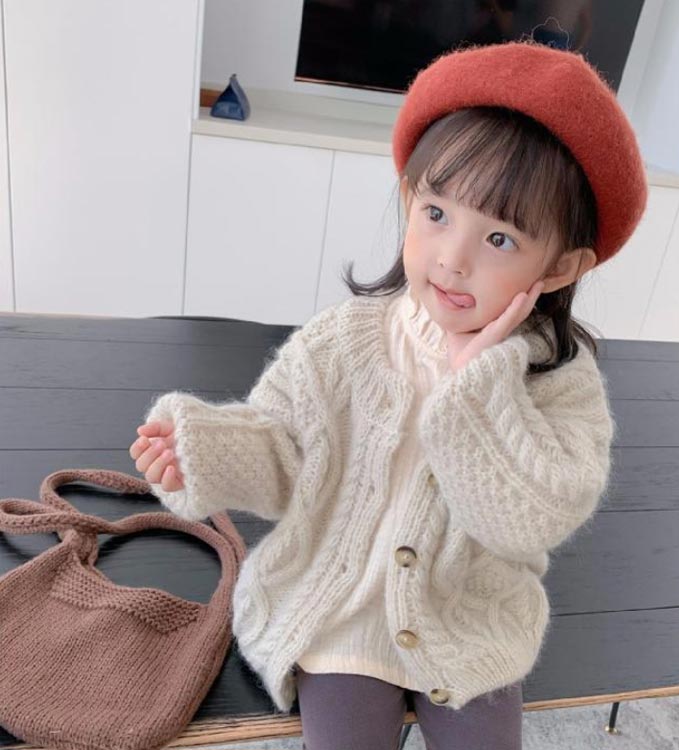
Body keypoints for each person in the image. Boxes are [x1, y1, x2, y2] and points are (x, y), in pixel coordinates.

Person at [129, 40, 647, 750]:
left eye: (499, 238)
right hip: (341, 607)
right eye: (437, 212)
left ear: (559, 266)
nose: (452, 258)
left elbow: (532, 520)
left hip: (469, 618)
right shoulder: (344, 339)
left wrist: (474, 385)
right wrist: (207, 451)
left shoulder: (559, 381)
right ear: (408, 197)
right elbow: (285, 452)